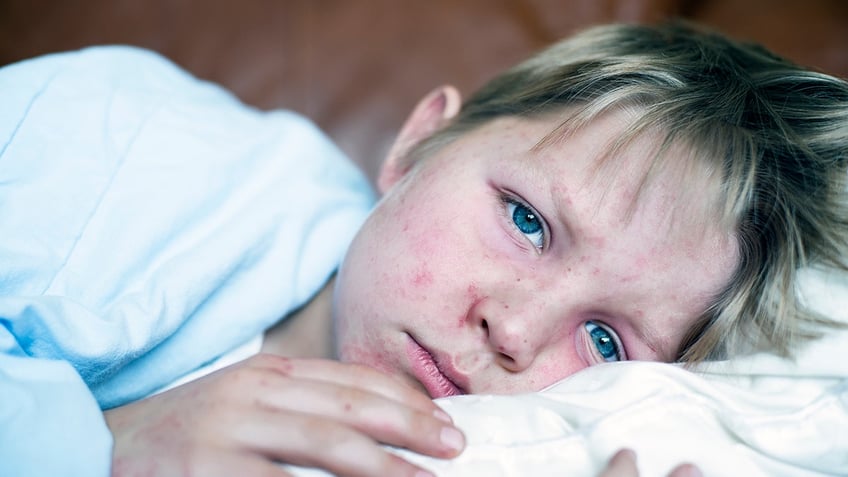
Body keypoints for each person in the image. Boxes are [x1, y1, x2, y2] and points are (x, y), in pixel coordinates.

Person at [2, 20, 846, 477]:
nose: (513, 329)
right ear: (415, 144)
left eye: (604, 340)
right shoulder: (116, 139)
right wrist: (100, 446)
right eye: (526, 220)